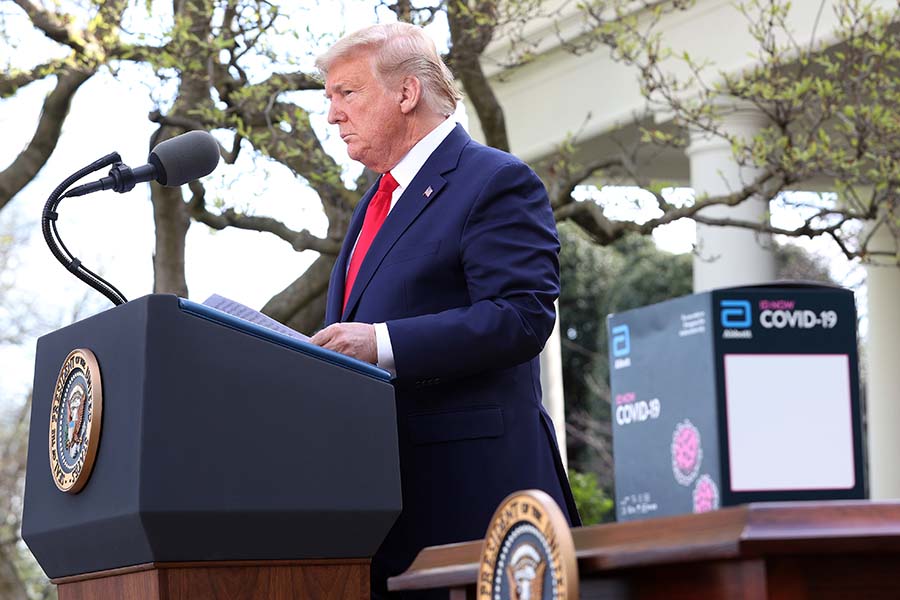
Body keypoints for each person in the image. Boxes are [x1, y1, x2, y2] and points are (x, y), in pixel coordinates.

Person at [310, 22, 580, 598]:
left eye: (347, 94)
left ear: (406, 94)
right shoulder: (368, 209)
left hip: (476, 510)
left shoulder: (495, 180)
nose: (332, 115)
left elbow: (520, 316)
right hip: (383, 512)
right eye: (328, 99)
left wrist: (381, 344)